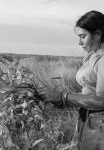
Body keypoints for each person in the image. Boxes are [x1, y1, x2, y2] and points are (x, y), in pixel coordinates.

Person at [38, 10, 104, 150]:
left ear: (97, 34)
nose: (79, 42)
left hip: (99, 124)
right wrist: (61, 101)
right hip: (87, 118)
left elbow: (101, 100)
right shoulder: (91, 55)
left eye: (83, 36)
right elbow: (88, 89)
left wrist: (64, 97)